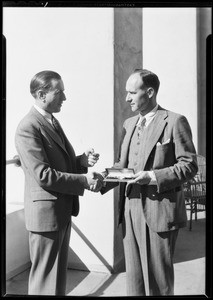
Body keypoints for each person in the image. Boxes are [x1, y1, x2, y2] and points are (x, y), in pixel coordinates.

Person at [99, 69, 198, 296]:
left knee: (158, 280)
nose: (127, 98)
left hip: (160, 210)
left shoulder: (174, 121)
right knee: (134, 279)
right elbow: (122, 165)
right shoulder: (129, 123)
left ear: (150, 92)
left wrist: (152, 177)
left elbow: (189, 165)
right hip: (130, 210)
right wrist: (102, 178)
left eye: (132, 92)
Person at [15, 70, 103, 296]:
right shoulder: (28, 127)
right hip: (46, 217)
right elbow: (43, 174)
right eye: (60, 92)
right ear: (42, 94)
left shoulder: (50, 121)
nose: (64, 97)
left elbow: (58, 165)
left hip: (59, 212)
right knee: (44, 283)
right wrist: (84, 180)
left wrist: (81, 161)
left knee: (57, 280)